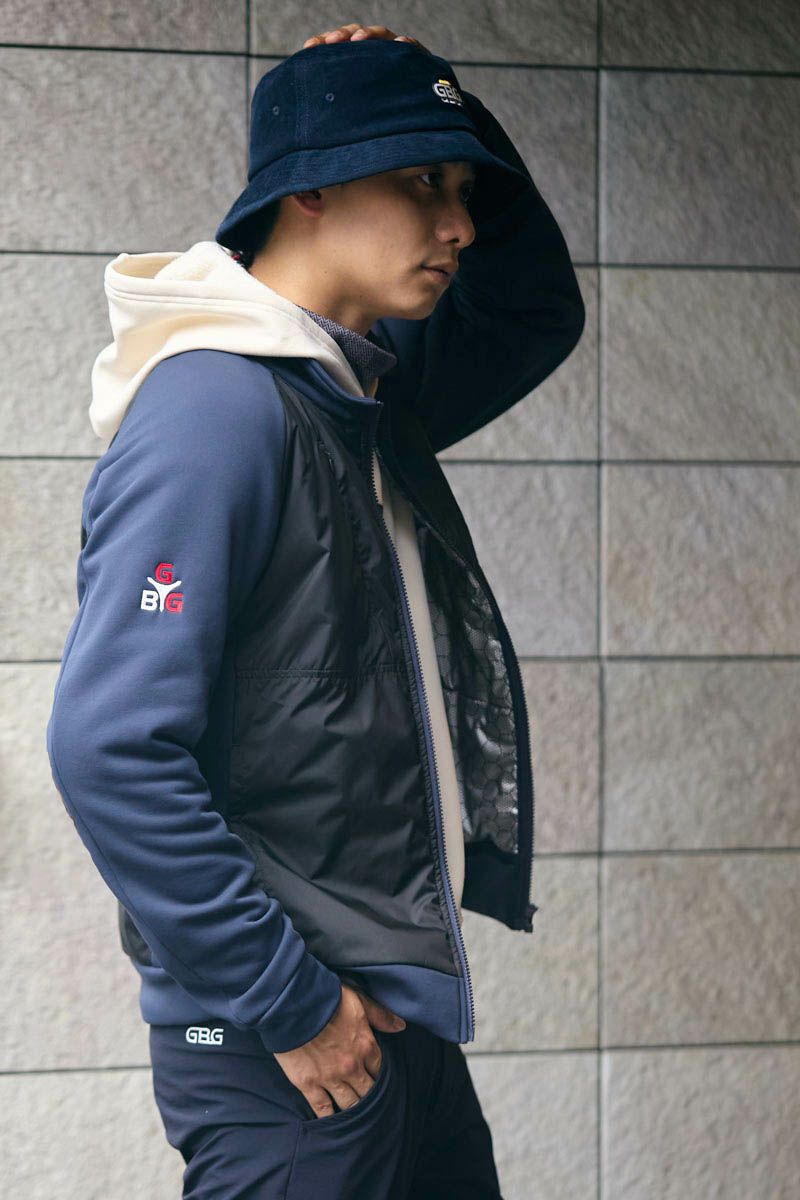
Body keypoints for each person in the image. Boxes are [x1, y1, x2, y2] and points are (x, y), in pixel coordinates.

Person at [46, 23, 585, 1199]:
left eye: (465, 190)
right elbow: (110, 748)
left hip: (389, 1015)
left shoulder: (349, 391)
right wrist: (289, 1005)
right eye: (424, 182)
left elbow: (533, 312)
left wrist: (449, 107)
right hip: (288, 1049)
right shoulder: (218, 410)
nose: (461, 225)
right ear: (312, 191)